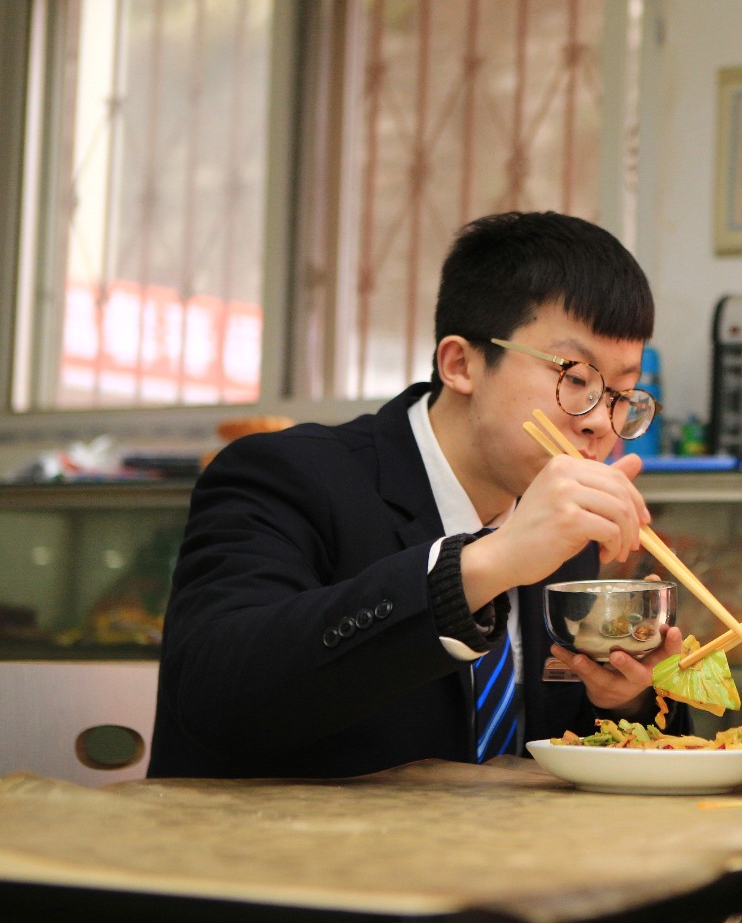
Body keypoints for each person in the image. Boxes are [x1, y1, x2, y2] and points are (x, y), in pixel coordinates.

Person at [147, 210, 688, 781]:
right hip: (294, 862)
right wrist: (480, 566)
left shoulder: (568, 525)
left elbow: (565, 751)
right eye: (576, 378)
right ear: (460, 364)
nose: (600, 422)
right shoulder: (286, 473)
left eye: (624, 393)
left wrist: (622, 699)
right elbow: (214, 699)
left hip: (509, 862)